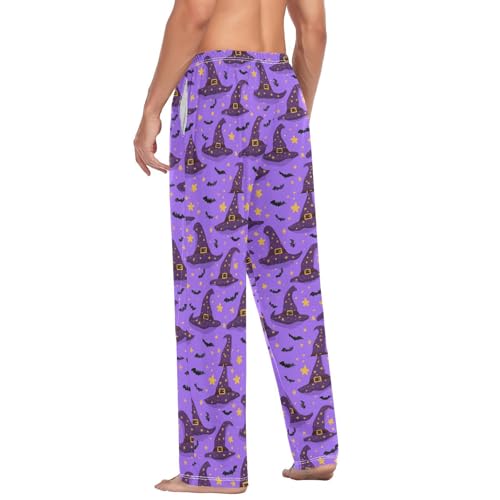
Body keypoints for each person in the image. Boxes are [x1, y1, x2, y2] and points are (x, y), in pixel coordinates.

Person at [133, 0, 338, 493]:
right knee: (291, 277)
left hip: (216, 90)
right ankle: (317, 449)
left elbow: (195, 13)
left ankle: (213, 467)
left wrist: (151, 108)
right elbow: (313, 30)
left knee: (207, 280)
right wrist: (292, 110)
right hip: (281, 88)